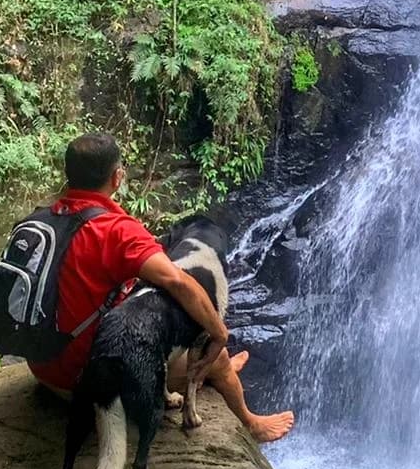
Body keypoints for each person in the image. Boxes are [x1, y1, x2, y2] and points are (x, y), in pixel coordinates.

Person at [29, 132, 294, 444]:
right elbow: (177, 281)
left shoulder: (42, 219)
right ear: (117, 177)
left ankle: (212, 372)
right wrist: (220, 332)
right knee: (217, 354)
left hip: (43, 366)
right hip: (83, 379)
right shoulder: (117, 231)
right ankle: (250, 421)